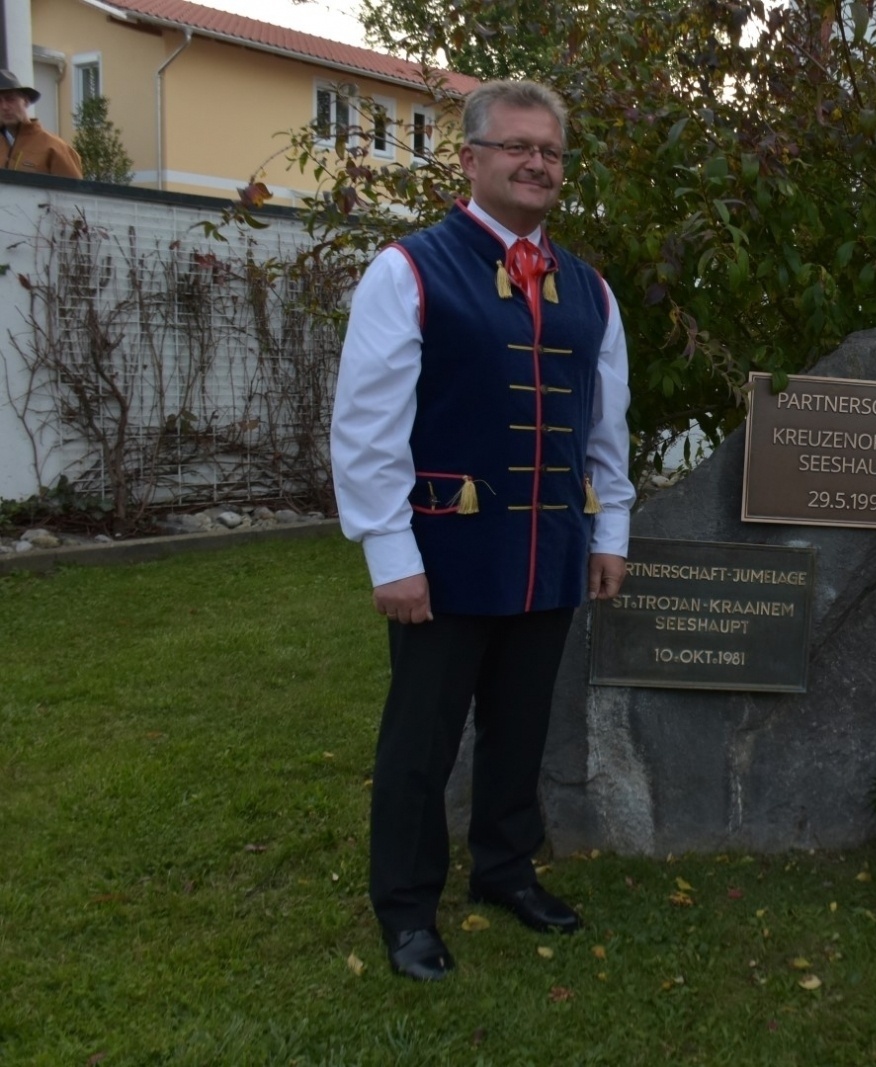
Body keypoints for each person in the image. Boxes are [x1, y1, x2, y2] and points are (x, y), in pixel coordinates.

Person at [331, 80, 634, 981]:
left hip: (549, 550)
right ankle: (407, 907)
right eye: (517, 147)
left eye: (550, 152)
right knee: (421, 740)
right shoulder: (410, 270)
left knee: (520, 727)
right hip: (443, 553)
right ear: (471, 159)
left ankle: (504, 869)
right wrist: (390, 552)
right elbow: (366, 427)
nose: (536, 163)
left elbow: (604, 424)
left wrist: (610, 529)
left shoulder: (591, 289)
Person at [0, 71, 83, 178]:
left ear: (25, 101)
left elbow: (72, 192)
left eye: (10, 99)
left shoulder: (55, 148)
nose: (4, 107)